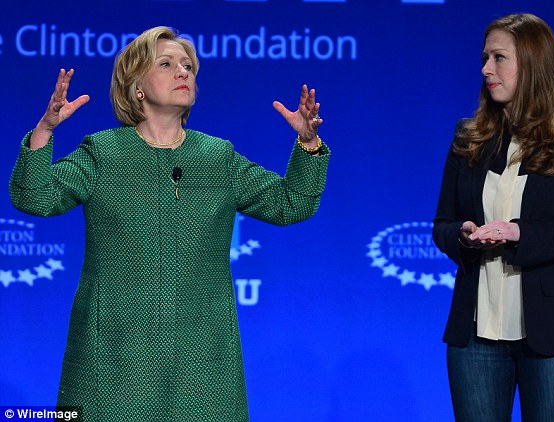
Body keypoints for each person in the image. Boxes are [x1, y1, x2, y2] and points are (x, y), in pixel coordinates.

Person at [9, 26, 330, 421]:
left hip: (204, 366)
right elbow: (35, 197)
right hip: (114, 360)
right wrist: (45, 131)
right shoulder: (103, 152)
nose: (183, 73)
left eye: (188, 66)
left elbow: (290, 204)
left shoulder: (217, 157)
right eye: (167, 64)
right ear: (136, 88)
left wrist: (308, 144)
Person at [432, 13, 554, 422]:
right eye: (485, 58)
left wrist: (519, 233)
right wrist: (463, 234)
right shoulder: (468, 138)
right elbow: (442, 224)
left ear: (531, 65)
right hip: (475, 335)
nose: (485, 69)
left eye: (499, 58)